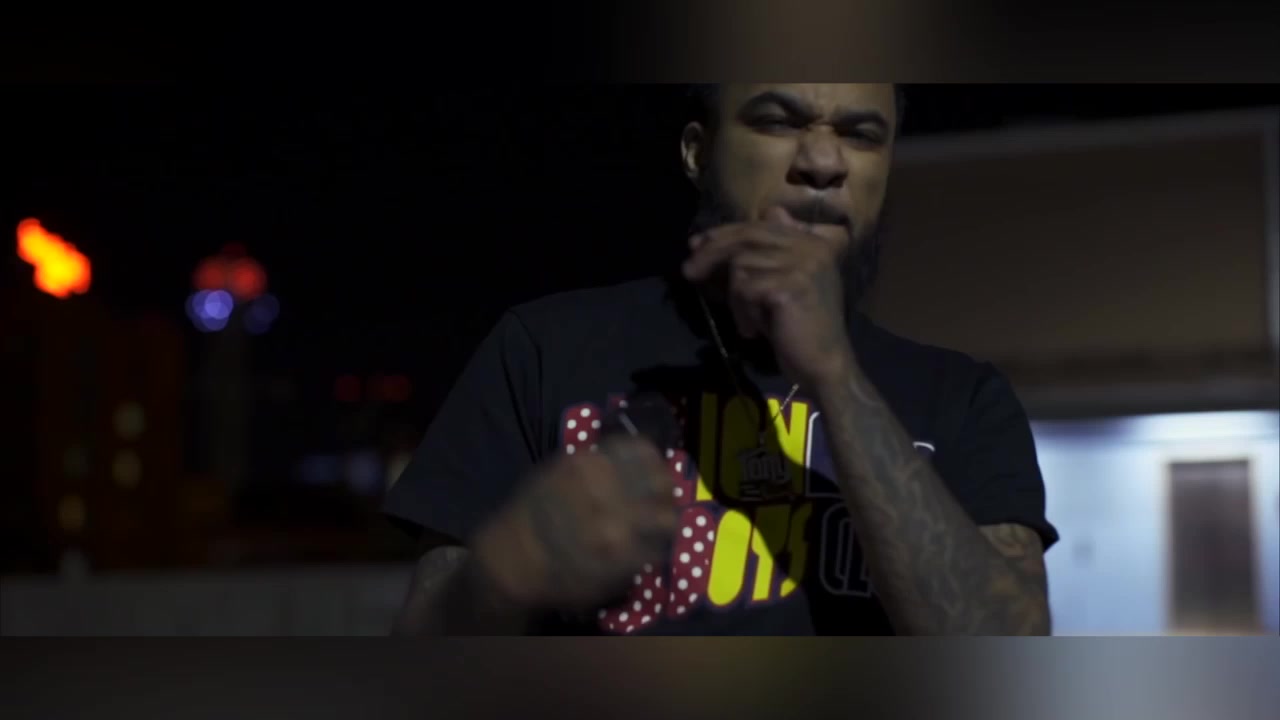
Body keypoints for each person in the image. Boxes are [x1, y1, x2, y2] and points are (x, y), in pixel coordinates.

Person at [385, 83, 1059, 636]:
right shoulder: (542, 349)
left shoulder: (962, 398)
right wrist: (500, 577)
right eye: (777, 121)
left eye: (861, 134)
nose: (824, 162)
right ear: (696, 152)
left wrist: (834, 374)